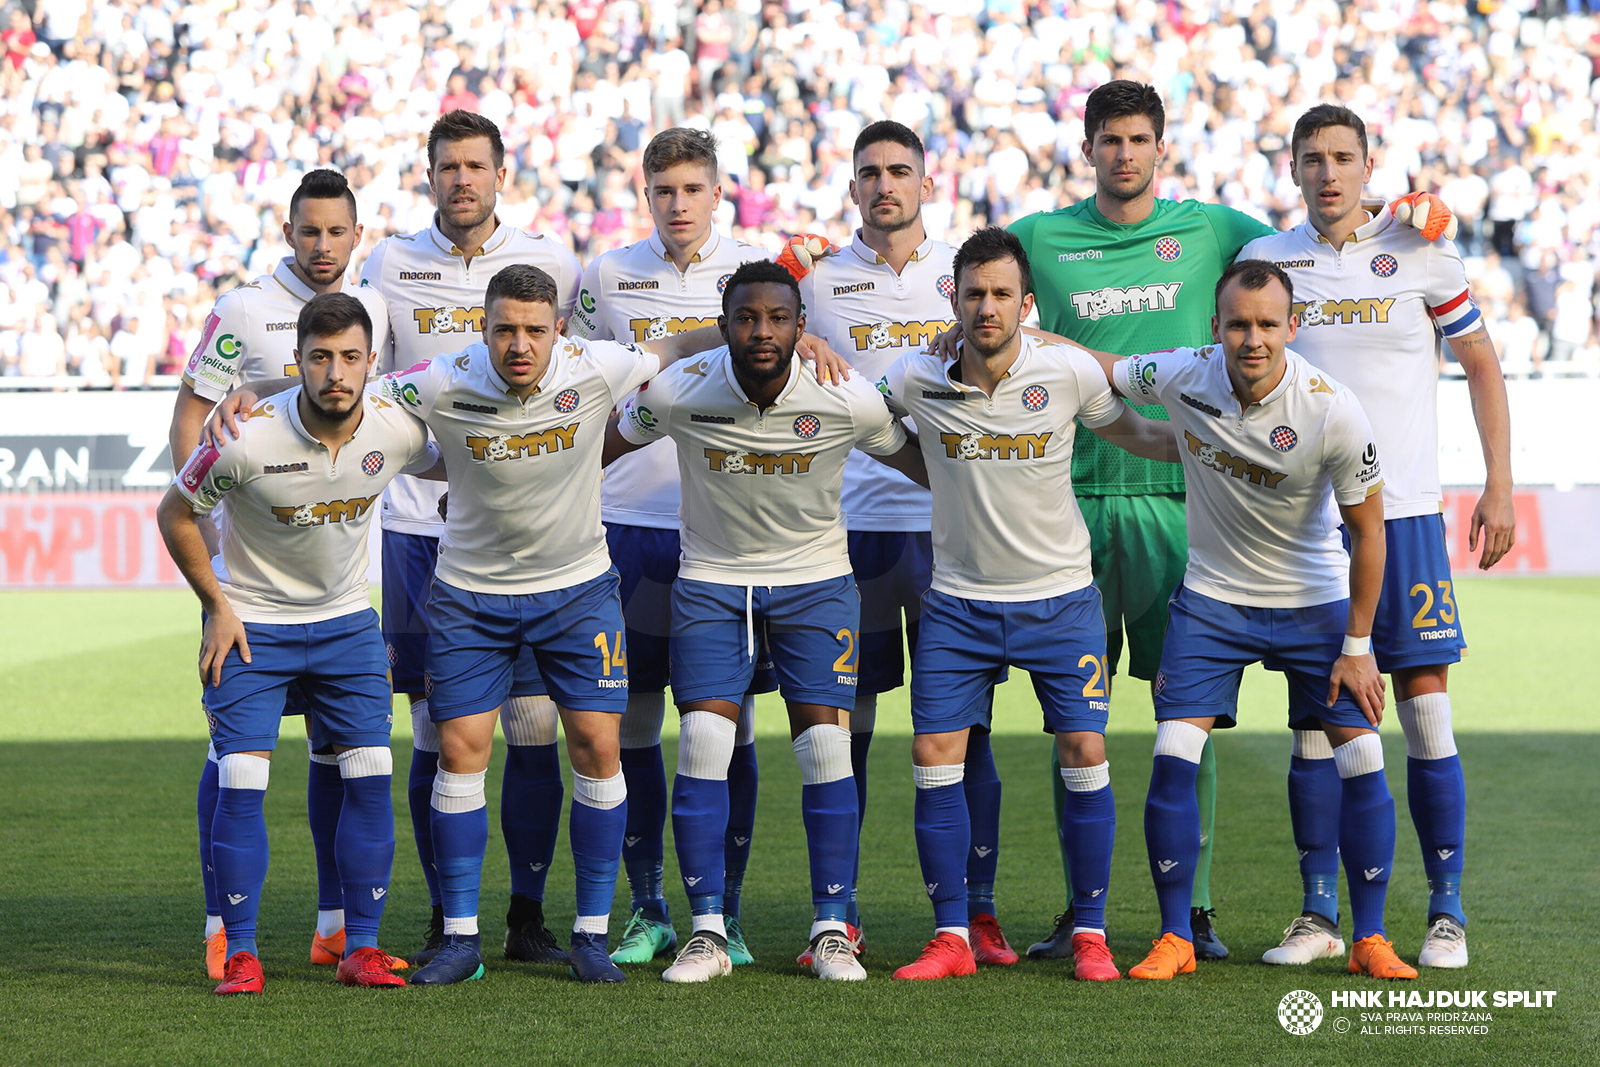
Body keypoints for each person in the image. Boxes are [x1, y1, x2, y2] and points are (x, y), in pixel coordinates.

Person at [1008, 80, 1457, 962]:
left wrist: (1401, 209)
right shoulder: (1051, 249)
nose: (1124, 153)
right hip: (1088, 518)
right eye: (1110, 139)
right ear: (1088, 147)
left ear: (1161, 148)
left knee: (1286, 736)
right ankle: (1099, 913)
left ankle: (1249, 917)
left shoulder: (1227, 241)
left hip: (1240, 542)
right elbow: (987, 287)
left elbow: (1322, 241)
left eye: (1139, 138)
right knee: (1083, 722)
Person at [1085, 259, 1415, 982]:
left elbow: (1370, 531)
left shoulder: (1332, 408)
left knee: (1361, 755)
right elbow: (1105, 366)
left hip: (1314, 601)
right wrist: (1023, 331)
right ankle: (1176, 937)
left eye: (1268, 324)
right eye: (1239, 324)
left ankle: (1370, 936)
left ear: (1292, 328)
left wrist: (1357, 646)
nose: (1253, 338)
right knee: (1173, 750)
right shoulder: (1182, 373)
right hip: (1212, 599)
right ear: (1215, 330)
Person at [1240, 104, 1515, 970]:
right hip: (1307, 528)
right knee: (1316, 722)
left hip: (1405, 516)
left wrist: (1499, 483)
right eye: (1312, 159)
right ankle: (1320, 912)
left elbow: (1479, 362)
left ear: (1370, 165)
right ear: (1291, 169)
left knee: (1425, 708)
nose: (1328, 173)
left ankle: (1446, 910)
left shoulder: (1423, 248)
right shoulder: (1267, 263)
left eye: (1343, 158)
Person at [605, 258, 924, 982]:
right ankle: (709, 931)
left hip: (816, 585)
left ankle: (832, 927)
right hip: (713, 584)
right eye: (746, 317)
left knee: (825, 752)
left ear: (801, 326)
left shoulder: (844, 395)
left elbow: (921, 462)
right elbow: (603, 448)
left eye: (778, 318)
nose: (762, 330)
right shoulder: (680, 389)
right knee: (704, 743)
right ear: (722, 327)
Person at [880, 228, 1177, 983]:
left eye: (1001, 293)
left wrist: (1207, 443)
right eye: (974, 292)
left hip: (1060, 600)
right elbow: (871, 426)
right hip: (957, 604)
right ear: (953, 296)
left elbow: (1135, 430)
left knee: (1084, 753)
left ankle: (1091, 932)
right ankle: (952, 936)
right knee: (933, 757)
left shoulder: (1069, 370)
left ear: (1026, 303)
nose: (987, 306)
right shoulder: (915, 376)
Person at [157, 293, 435, 994]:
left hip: (346, 627)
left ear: (373, 363)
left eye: (349, 358)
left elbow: (470, 398)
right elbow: (175, 513)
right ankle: (242, 951)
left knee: (370, 781)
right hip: (253, 628)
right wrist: (216, 605)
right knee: (241, 784)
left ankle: (358, 948)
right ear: (299, 363)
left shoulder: (398, 428)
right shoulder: (245, 436)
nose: (335, 373)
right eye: (319, 358)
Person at [358, 110, 581, 968]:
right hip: (418, 529)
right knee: (434, 730)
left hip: (522, 533)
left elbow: (588, 373)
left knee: (532, 722)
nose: (461, 179)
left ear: (501, 173)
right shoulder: (390, 262)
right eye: (447, 165)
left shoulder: (551, 261)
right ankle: (449, 917)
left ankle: (526, 916)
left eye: (475, 165)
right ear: (429, 174)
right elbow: (376, 387)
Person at [798, 119, 1014, 967]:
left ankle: (977, 911)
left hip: (953, 532)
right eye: (868, 173)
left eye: (899, 171)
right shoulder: (813, 277)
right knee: (844, 726)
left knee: (970, 730)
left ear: (928, 182)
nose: (884, 185)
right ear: (851, 188)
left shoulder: (967, 277)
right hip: (843, 532)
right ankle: (840, 909)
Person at [168, 168, 390, 981]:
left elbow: (390, 402)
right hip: (249, 576)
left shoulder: (378, 308)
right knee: (235, 758)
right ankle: (223, 927)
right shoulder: (242, 311)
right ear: (287, 231)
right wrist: (216, 508)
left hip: (338, 578)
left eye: (337, 232)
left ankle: (339, 927)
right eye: (310, 231)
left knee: (347, 754)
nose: (324, 245)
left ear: (355, 235)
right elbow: (195, 412)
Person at [570, 127, 769, 967]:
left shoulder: (760, 274)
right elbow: (576, 371)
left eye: (693, 189)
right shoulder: (606, 276)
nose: (678, 204)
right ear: (644, 194)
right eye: (664, 191)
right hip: (628, 524)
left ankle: (723, 907)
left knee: (731, 719)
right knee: (637, 718)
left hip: (729, 531)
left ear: (717, 193)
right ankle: (648, 904)